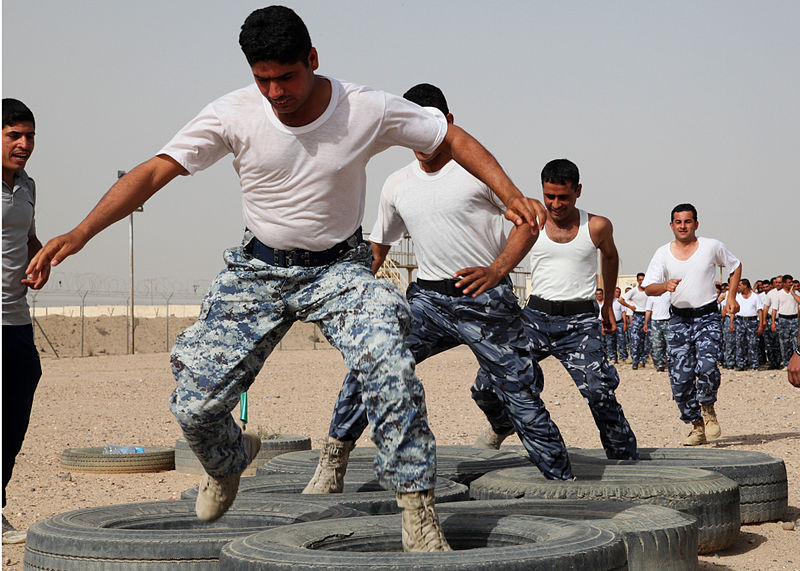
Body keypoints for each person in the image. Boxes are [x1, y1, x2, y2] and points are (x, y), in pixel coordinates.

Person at [25, 7, 546, 552]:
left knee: (390, 361)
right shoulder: (233, 114)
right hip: (258, 271)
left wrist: (511, 196)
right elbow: (157, 169)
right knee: (194, 403)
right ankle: (226, 462)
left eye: (286, 77)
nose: (275, 92)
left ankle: (417, 508)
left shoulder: (363, 106)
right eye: (263, 79)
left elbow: (449, 136)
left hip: (339, 270)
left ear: (313, 61)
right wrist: (82, 232)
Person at [304, 85, 573, 496]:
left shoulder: (477, 172)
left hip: (483, 300)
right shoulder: (396, 184)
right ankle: (332, 463)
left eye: (432, 123)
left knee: (518, 389)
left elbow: (527, 222)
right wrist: (351, 293)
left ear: (448, 123)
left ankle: (561, 481)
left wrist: (498, 270)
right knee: (371, 363)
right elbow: (378, 247)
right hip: (427, 301)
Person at [470, 158, 639, 460]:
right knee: (485, 384)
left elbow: (610, 258)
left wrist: (609, 307)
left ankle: (625, 459)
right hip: (534, 319)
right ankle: (501, 424)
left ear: (578, 191)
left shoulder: (597, 226)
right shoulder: (531, 224)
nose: (556, 204)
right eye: (550, 197)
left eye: (564, 197)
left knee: (599, 392)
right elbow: (504, 261)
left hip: (580, 323)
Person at [643, 203, 741, 446]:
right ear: (671, 225)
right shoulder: (662, 253)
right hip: (678, 320)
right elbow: (649, 287)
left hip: (707, 317)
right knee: (680, 377)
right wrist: (665, 286)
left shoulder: (711, 246)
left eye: (687, 221)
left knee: (707, 367)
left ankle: (708, 408)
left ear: (696, 224)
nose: (683, 226)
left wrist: (731, 297)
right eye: (678, 222)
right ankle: (696, 425)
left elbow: (735, 266)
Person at [2, 98, 50, 545]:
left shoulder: (28, 186)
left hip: (16, 321)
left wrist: (41, 258)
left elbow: (27, 235)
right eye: (13, 134)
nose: (24, 143)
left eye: (29, 135)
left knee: (14, 414)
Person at [731, 279, 763, 371]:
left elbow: (760, 311)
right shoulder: (737, 297)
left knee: (753, 344)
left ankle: (754, 365)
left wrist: (760, 325)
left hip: (752, 322)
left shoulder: (755, 297)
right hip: (740, 321)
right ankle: (741, 364)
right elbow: (733, 311)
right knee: (739, 343)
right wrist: (731, 323)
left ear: (745, 286)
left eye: (740, 285)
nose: (738, 287)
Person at [619, 273, 649, 369]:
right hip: (637, 316)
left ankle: (643, 360)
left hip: (647, 315)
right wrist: (630, 306)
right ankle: (635, 361)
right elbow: (621, 299)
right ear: (637, 280)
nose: (642, 281)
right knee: (635, 340)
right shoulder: (634, 291)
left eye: (643, 279)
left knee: (646, 340)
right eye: (640, 280)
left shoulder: (648, 291)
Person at [770, 274, 800, 368]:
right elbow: (774, 309)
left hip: (794, 319)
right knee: (784, 343)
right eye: (789, 282)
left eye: (792, 282)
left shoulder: (796, 293)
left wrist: (793, 293)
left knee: (796, 342)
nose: (791, 284)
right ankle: (786, 363)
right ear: (784, 283)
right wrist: (773, 322)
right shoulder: (778, 294)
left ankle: (796, 363)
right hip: (783, 319)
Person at [643, 291, 671, 372]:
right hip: (655, 322)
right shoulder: (651, 296)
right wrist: (645, 323)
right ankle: (660, 364)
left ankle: (670, 364)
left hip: (667, 321)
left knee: (670, 344)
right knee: (657, 345)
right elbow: (648, 310)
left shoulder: (668, 294)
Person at [763, 276, 784, 369]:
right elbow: (766, 307)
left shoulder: (788, 293)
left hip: (783, 320)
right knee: (770, 343)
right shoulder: (771, 293)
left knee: (782, 343)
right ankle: (773, 362)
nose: (778, 284)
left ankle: (781, 362)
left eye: (780, 282)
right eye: (777, 282)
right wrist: (763, 320)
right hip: (772, 320)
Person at [610, 286, 628, 363]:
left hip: (619, 323)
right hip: (610, 324)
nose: (618, 293)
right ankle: (613, 358)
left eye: (619, 292)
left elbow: (623, 312)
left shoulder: (620, 301)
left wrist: (625, 324)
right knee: (611, 342)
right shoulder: (608, 302)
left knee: (622, 341)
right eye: (616, 292)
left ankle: (623, 357)